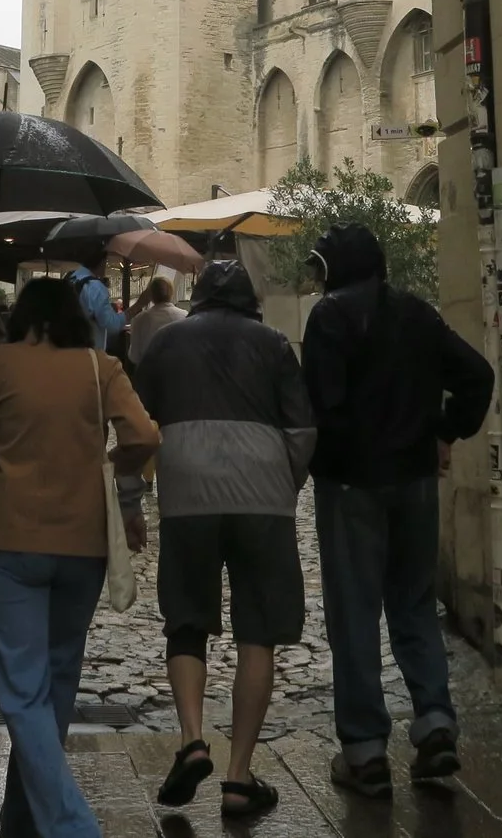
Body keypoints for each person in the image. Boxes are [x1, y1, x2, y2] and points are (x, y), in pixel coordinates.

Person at [0, 275, 159, 838]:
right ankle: (23, 816)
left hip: (13, 540)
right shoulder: (100, 368)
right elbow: (143, 434)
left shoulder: (2, 364)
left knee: (21, 688)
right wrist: (114, 461)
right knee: (57, 681)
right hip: (82, 541)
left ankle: (68, 824)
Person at [300, 224, 493, 798]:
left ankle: (364, 751)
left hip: (353, 484)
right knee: (412, 602)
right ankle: (434, 720)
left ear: (335, 268)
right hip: (413, 480)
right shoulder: (416, 312)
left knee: (355, 612)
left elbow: (323, 405)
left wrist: (328, 459)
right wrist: (443, 430)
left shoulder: (329, 318)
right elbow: (478, 376)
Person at [134, 260, 314, 821]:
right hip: (262, 495)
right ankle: (238, 776)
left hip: (187, 492)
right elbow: (304, 430)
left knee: (186, 619)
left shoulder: (165, 343)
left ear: (201, 299)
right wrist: (287, 481)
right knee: (258, 629)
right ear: (248, 303)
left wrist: (128, 495)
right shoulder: (274, 344)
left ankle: (192, 739)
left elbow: (137, 425)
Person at [122, 275, 187, 371]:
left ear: (150, 296)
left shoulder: (139, 319)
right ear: (172, 293)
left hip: (150, 375)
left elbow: (134, 357)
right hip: (180, 373)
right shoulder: (185, 315)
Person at [69, 261, 125, 351]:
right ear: (101, 261)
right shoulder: (95, 286)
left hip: (70, 347)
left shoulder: (70, 278)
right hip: (90, 352)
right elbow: (112, 326)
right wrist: (138, 305)